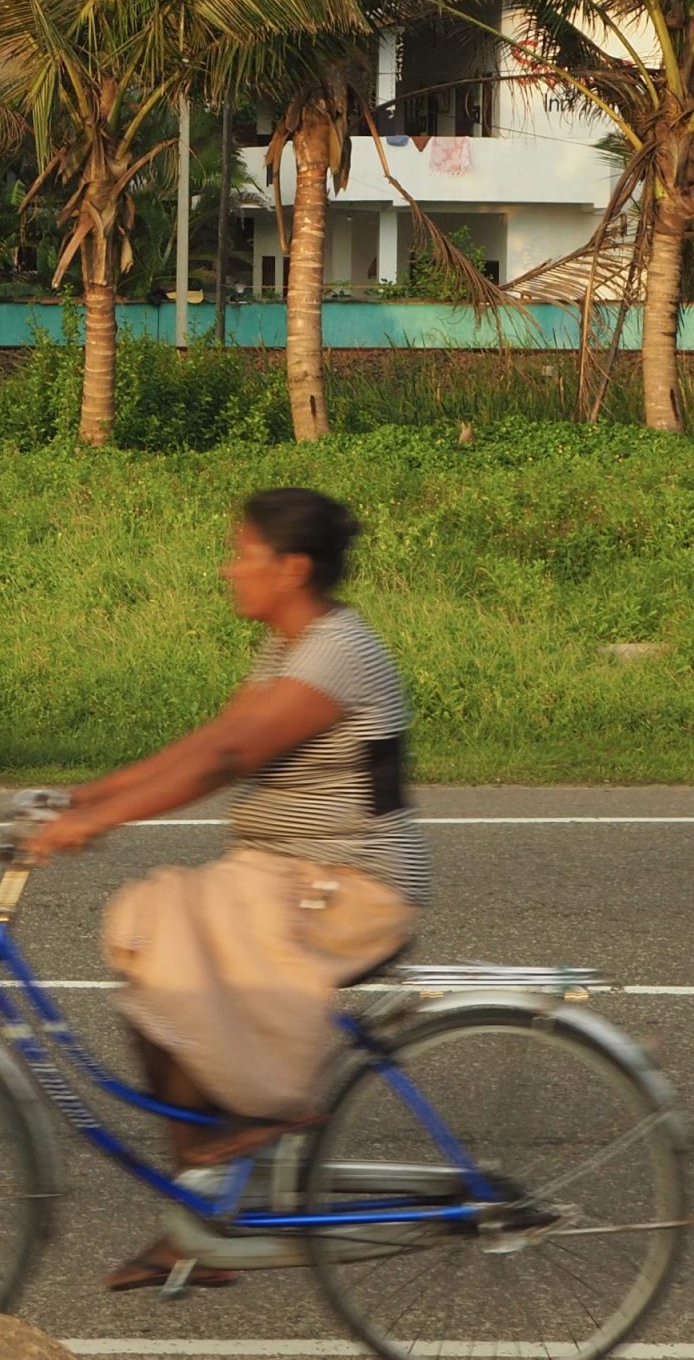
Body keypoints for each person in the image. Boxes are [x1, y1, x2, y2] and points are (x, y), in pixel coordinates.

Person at [21, 486, 428, 1293]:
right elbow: (211, 739)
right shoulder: (289, 648)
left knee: (179, 936)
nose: (228, 567)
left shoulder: (336, 651)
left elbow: (227, 762)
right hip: (286, 880)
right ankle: (201, 1217)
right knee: (149, 948)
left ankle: (268, 1111)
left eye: (243, 553)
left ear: (293, 567)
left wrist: (96, 824)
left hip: (350, 892)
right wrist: (87, 798)